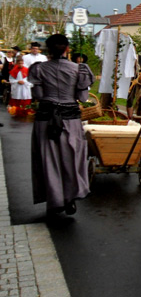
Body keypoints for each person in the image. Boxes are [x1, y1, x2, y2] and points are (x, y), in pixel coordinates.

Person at [29, 34, 94, 216]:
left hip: (45, 118)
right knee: (71, 157)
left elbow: (39, 95)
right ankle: (69, 197)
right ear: (67, 49)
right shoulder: (79, 70)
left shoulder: (39, 69)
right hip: (70, 119)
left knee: (48, 158)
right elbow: (82, 98)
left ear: (48, 50)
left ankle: (54, 199)